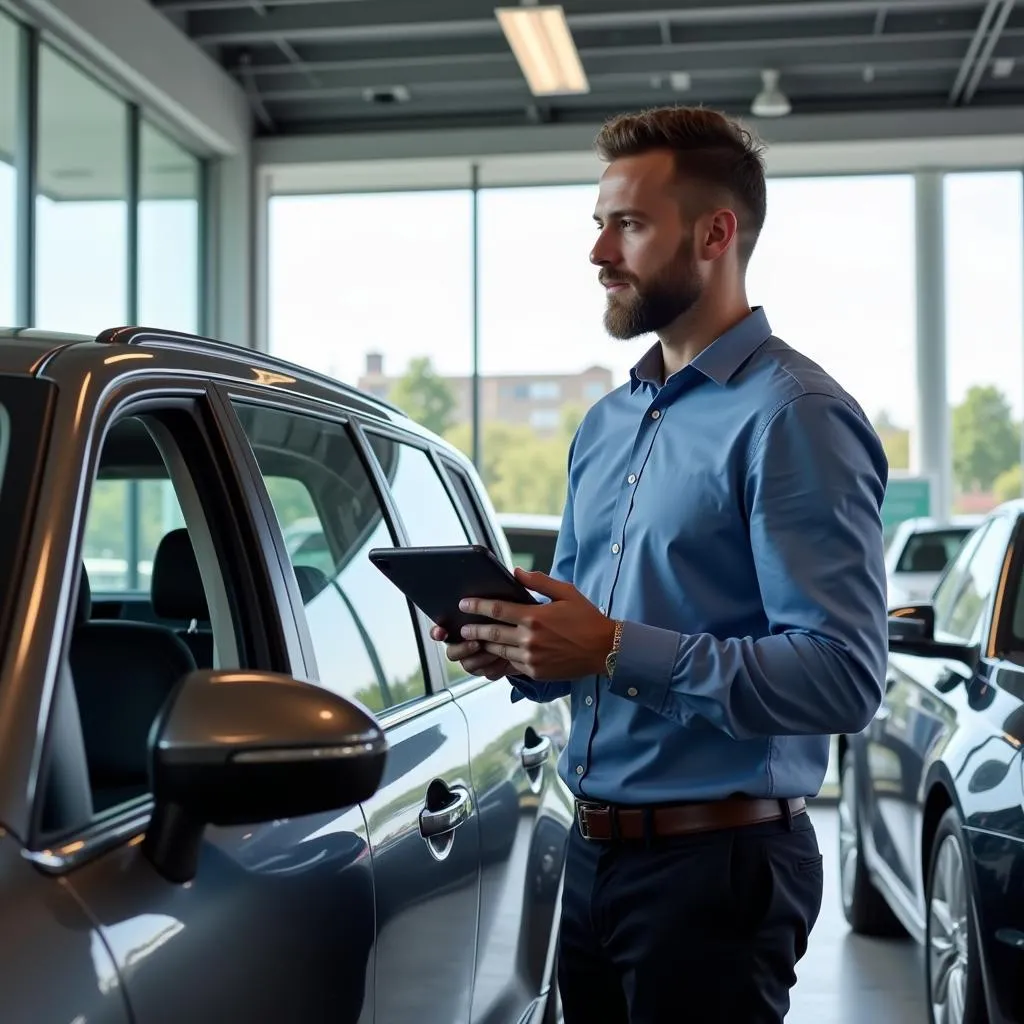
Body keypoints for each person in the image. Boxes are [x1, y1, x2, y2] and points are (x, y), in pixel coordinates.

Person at [431, 105, 888, 1023]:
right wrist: (522, 646)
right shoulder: (606, 424)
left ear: (716, 233)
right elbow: (584, 636)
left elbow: (844, 678)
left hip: (716, 874)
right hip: (589, 856)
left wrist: (607, 649)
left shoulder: (793, 416)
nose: (599, 251)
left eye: (628, 224)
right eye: (599, 224)